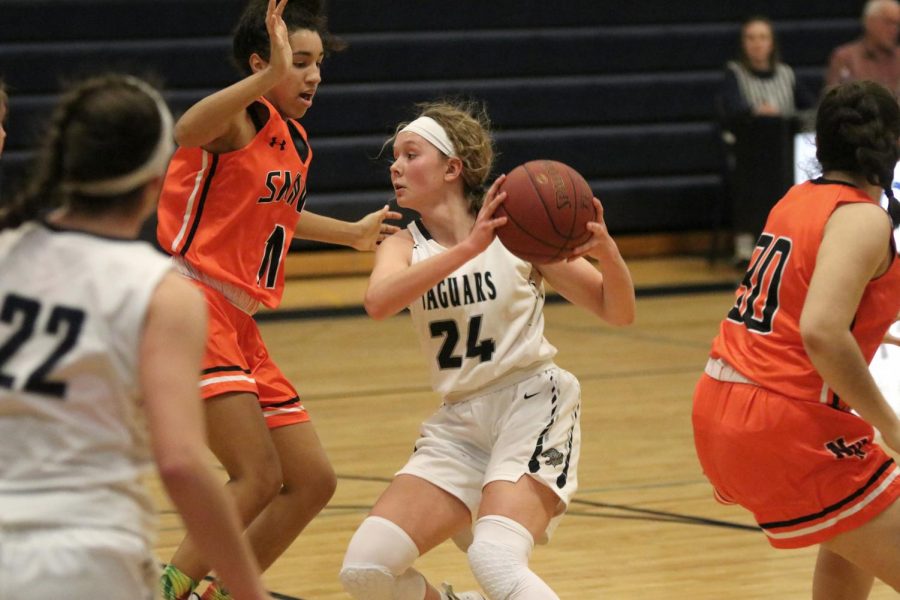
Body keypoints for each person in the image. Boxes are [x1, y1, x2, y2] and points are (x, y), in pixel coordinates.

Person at [339, 100, 636, 600]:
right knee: (368, 571)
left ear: (452, 168)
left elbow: (617, 310)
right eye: (395, 157)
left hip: (531, 402)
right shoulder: (402, 243)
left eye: (411, 154)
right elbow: (378, 302)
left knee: (493, 557)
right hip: (459, 423)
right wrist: (465, 249)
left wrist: (609, 253)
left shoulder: (516, 230)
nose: (395, 166)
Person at [155, 1, 400, 598]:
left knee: (312, 481)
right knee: (257, 475)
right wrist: (265, 81)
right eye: (299, 62)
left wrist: (351, 234)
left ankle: (217, 592)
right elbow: (184, 130)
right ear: (262, 63)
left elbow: (279, 215)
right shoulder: (242, 118)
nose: (313, 75)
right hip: (191, 303)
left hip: (239, 320)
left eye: (318, 63)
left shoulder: (293, 141)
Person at [0, 74, 270, 600]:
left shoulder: (7, 250)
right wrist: (247, 589)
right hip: (90, 558)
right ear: (155, 182)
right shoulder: (161, 293)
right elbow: (180, 464)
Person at [693, 80, 900, 596]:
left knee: (853, 530)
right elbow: (822, 332)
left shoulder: (795, 199)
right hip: (779, 422)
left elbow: (796, 309)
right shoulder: (863, 218)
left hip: (720, 405)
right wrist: (890, 426)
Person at [717, 16, 816, 264]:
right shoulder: (734, 73)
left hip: (785, 152)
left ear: (771, 43)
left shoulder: (787, 74)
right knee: (750, 172)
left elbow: (811, 107)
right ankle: (746, 243)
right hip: (749, 153)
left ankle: (795, 237)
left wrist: (784, 116)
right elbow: (733, 108)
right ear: (743, 44)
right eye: (750, 38)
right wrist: (755, 111)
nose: (757, 44)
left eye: (762, 37)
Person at [825, 0, 900, 94]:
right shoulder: (845, 58)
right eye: (888, 22)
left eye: (897, 25)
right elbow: (832, 103)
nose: (894, 30)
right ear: (869, 22)